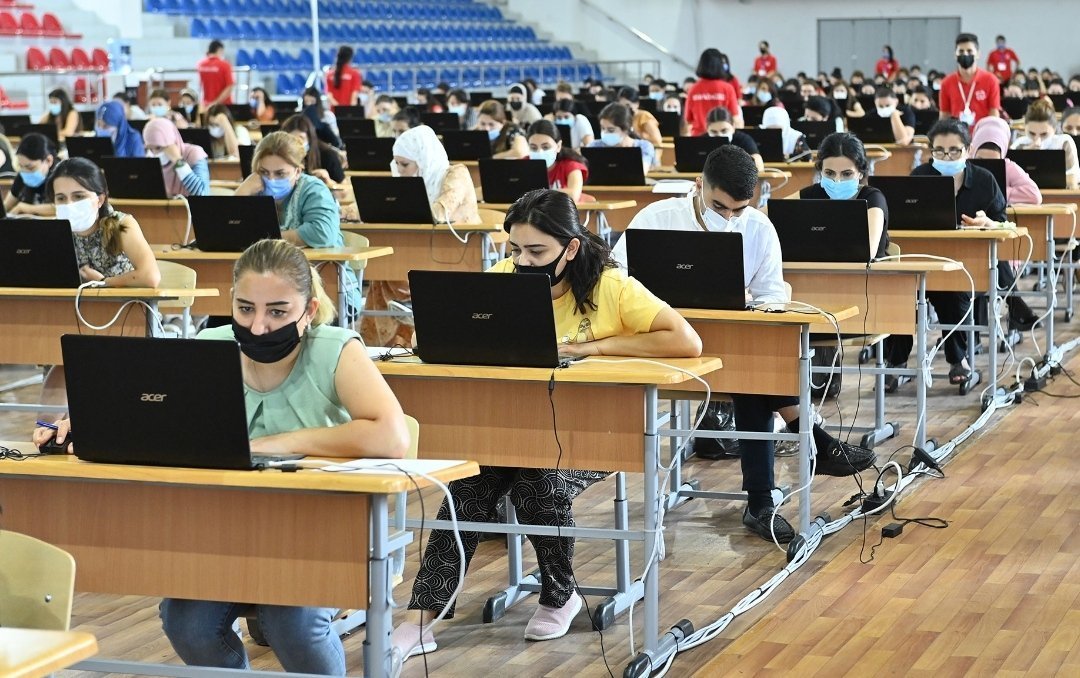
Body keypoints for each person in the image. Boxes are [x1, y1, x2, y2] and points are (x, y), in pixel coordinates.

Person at [392, 189, 701, 658]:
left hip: (596, 432)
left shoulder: (611, 286)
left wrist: (590, 348)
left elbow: (686, 341)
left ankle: (560, 595)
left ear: (570, 247)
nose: (522, 261)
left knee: (538, 480)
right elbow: (442, 332)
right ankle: (421, 617)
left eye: (536, 251)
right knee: (465, 488)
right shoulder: (503, 278)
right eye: (516, 249)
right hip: (514, 428)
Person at [154, 238, 408, 677]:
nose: (257, 327)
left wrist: (279, 443)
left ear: (308, 311)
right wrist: (80, 424)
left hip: (324, 529)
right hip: (230, 529)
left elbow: (392, 436)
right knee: (186, 622)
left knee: (293, 623)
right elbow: (157, 418)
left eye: (277, 311)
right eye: (245, 309)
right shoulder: (209, 346)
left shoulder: (335, 349)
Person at [610, 145, 876, 535]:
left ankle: (762, 502)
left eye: (739, 209)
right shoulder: (656, 218)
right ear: (699, 185)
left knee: (754, 375)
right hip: (665, 344)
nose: (729, 218)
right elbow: (615, 282)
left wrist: (758, 304)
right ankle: (805, 452)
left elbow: (773, 296)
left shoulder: (758, 227)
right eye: (719, 207)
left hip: (730, 346)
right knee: (753, 374)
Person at [884, 119, 1007, 390]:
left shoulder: (984, 180)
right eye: (939, 151)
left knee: (952, 293)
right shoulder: (920, 176)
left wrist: (987, 222)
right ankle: (897, 362)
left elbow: (1003, 221)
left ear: (968, 150)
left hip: (964, 266)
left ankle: (958, 360)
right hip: (921, 261)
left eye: (954, 150)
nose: (946, 157)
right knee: (901, 294)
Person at [359, 125, 480, 348]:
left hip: (456, 255)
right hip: (418, 253)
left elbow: (440, 212)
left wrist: (399, 205)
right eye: (396, 163)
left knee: (396, 267)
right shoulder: (407, 181)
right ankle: (389, 347)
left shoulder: (457, 174)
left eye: (404, 164)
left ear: (424, 160)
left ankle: (414, 324)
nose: (399, 170)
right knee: (385, 268)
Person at [234, 132, 360, 317]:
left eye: (280, 173)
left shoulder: (313, 189)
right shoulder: (254, 190)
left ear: (298, 171)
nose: (271, 179)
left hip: (324, 291)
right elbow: (227, 232)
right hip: (265, 290)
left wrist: (265, 239)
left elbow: (322, 233)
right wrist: (241, 194)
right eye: (264, 172)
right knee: (222, 320)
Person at [48, 157, 160, 286]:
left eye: (78, 196)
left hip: (122, 298)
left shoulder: (121, 224)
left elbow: (150, 277)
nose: (69, 205)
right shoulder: (55, 230)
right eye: (61, 198)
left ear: (100, 199)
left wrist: (104, 282)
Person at [799, 132, 889, 258]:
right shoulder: (815, 192)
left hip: (866, 271)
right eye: (829, 173)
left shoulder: (873, 198)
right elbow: (774, 211)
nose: (837, 180)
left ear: (860, 173)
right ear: (821, 171)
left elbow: (867, 252)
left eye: (846, 174)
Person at [970, 116, 1042, 205]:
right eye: (979, 160)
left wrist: (997, 192)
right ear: (972, 151)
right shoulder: (964, 165)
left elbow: (1034, 195)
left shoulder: (1007, 167)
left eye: (993, 162)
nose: (985, 168)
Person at [1012, 98, 1080, 189]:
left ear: (1054, 129)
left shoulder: (1064, 142)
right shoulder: (1019, 144)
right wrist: (1026, 155)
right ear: (1025, 128)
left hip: (1058, 195)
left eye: (1044, 134)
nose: (1037, 140)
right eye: (1031, 133)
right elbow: (1009, 180)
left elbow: (1072, 182)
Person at [939, 33, 1000, 125]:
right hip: (956, 133)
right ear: (955, 55)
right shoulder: (946, 82)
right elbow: (944, 115)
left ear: (978, 54)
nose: (965, 54)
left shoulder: (991, 80)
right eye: (961, 51)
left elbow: (994, 114)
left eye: (969, 51)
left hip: (983, 131)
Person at [142, 118, 210, 197]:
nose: (154, 153)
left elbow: (202, 194)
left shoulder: (194, 153)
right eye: (150, 148)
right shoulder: (149, 158)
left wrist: (178, 161)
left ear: (172, 142)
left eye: (158, 147)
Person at [527, 119, 588, 202]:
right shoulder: (522, 164)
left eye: (545, 147)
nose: (539, 152)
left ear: (558, 146)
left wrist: (536, 194)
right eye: (533, 148)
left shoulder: (571, 166)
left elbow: (573, 195)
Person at [685, 48, 742, 136]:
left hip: (698, 138)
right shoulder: (727, 88)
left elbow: (688, 119)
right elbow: (734, 118)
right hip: (722, 138)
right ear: (720, 65)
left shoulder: (693, 89)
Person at [587, 103, 658, 173]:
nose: (605, 133)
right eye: (603, 128)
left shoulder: (644, 147)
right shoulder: (594, 146)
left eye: (611, 130)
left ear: (626, 129)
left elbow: (641, 171)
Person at [281, 113, 345, 185]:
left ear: (309, 138)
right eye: (292, 139)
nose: (296, 143)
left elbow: (344, 189)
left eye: (301, 138)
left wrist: (328, 181)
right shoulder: (279, 156)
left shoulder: (327, 155)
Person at [3, 133, 57, 216]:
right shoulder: (21, 176)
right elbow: (6, 206)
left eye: (31, 168)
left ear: (48, 160)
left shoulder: (60, 177)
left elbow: (63, 207)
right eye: (21, 166)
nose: (25, 172)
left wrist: (26, 208)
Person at [704, 106, 764, 170]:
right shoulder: (702, 141)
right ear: (707, 129)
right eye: (714, 132)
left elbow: (758, 164)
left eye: (724, 131)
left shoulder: (743, 140)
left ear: (733, 127)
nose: (719, 135)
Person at [196, 40, 234, 108]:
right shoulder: (225, 65)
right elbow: (229, 86)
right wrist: (216, 102)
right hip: (223, 105)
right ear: (219, 50)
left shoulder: (200, 65)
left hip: (206, 104)